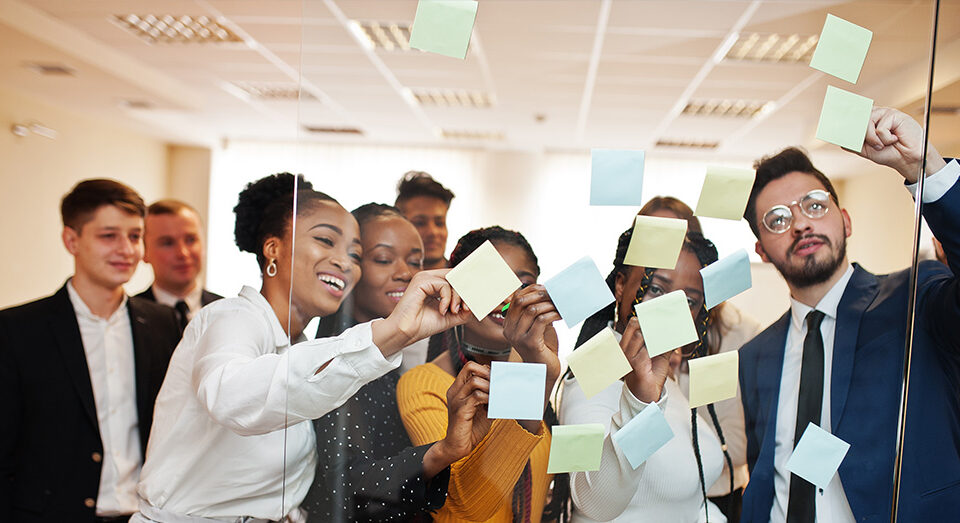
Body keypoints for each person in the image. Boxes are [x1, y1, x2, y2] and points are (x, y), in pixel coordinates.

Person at [133, 174, 472, 522]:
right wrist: (392, 333)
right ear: (273, 248)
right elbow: (232, 397)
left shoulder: (304, 349)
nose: (343, 261)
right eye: (325, 240)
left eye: (353, 253)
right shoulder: (232, 317)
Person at [737, 107, 960, 522]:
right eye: (777, 219)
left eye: (815, 205)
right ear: (762, 252)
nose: (800, 223)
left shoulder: (914, 299)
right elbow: (767, 473)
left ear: (845, 220)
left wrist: (927, 169)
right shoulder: (754, 356)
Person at [0, 179, 182, 522]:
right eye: (108, 235)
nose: (127, 250)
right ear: (72, 240)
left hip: (144, 515)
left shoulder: (164, 323)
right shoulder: (17, 329)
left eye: (134, 235)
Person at [304, 203, 481, 521]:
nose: (405, 273)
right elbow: (345, 489)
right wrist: (442, 451)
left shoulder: (393, 359)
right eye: (384, 259)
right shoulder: (333, 363)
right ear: (351, 266)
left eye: (416, 262)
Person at [397, 227, 564, 523]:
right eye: (493, 280)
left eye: (523, 283)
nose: (510, 296)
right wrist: (535, 384)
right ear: (458, 288)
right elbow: (463, 508)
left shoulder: (535, 364)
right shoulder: (423, 384)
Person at [562, 229, 729, 523]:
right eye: (657, 289)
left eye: (690, 301)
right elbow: (593, 502)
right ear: (621, 285)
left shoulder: (667, 377)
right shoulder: (589, 372)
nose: (672, 309)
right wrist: (638, 403)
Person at [637, 196, 762, 522]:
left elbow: (736, 444)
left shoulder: (737, 334)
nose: (668, 261)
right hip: (634, 500)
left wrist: (672, 390)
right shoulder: (617, 331)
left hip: (714, 500)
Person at [137, 199, 222, 328]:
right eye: (167, 243)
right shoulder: (129, 317)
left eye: (191, 240)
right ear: (144, 251)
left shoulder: (229, 313)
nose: (183, 253)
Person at [395, 171, 455, 270]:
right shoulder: (388, 282)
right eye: (420, 223)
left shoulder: (467, 279)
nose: (433, 232)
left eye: (439, 223)